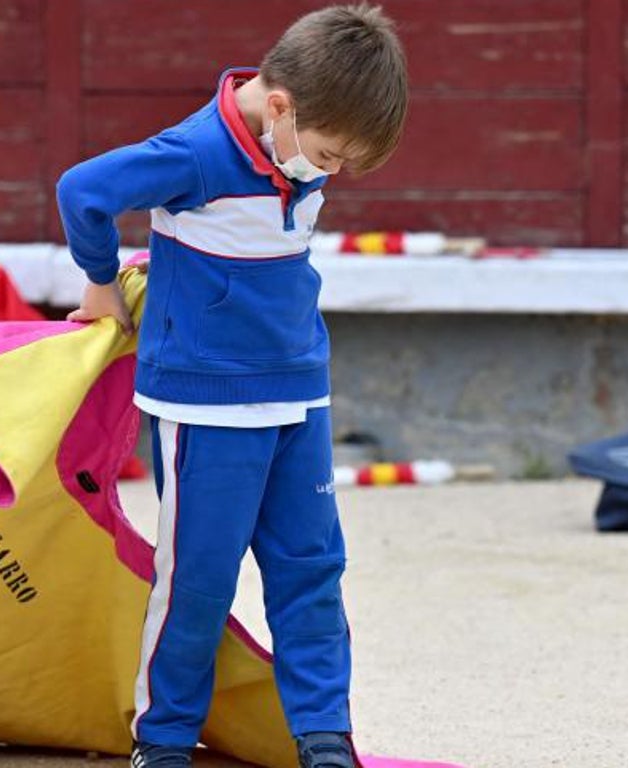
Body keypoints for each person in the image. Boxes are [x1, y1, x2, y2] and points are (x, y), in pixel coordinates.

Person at [55, 4, 407, 767]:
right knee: (199, 582)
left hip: (299, 392)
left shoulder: (300, 134)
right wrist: (100, 284)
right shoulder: (194, 153)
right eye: (329, 154)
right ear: (278, 107)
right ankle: (165, 742)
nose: (335, 172)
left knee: (312, 571)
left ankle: (324, 740)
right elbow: (82, 189)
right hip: (205, 403)